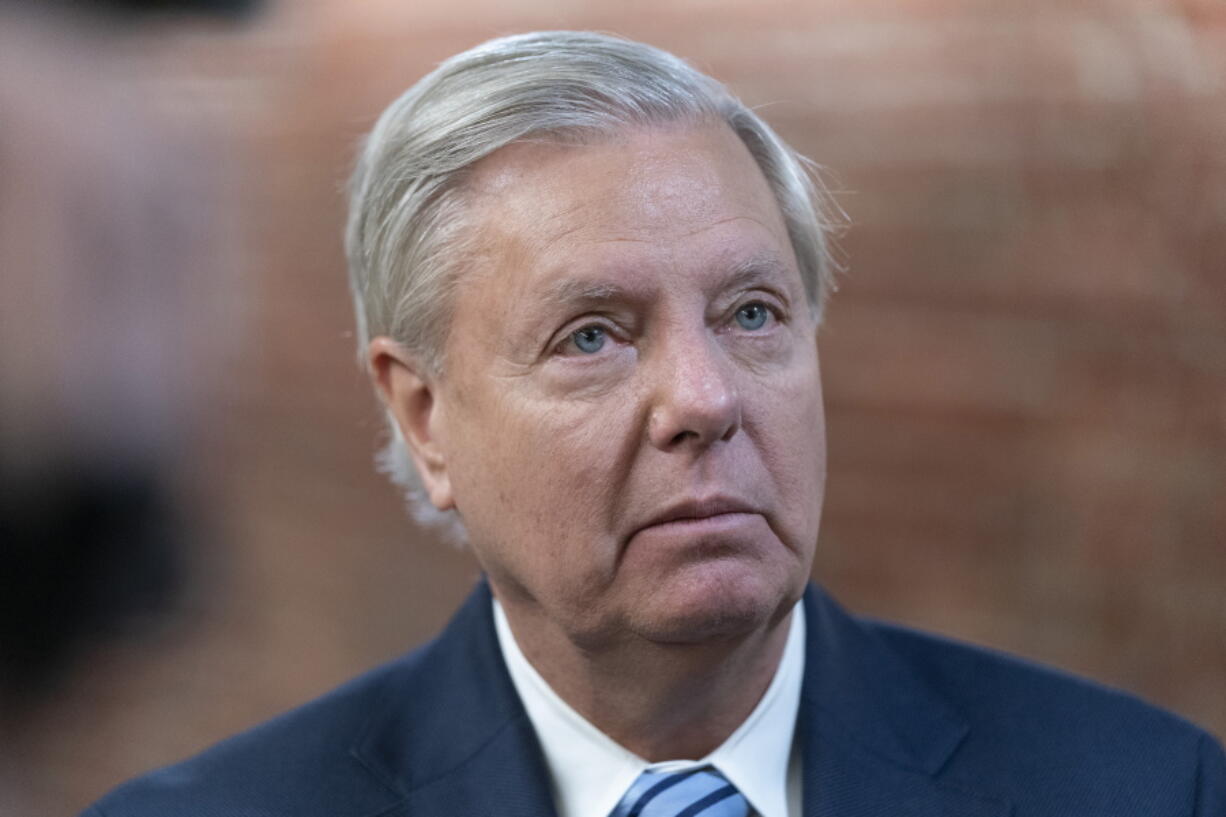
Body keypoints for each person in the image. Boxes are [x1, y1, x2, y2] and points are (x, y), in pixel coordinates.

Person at [85, 30, 1225, 817]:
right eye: (592, 334)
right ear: (424, 418)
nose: (705, 398)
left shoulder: (1142, 787)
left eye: (751, 313)